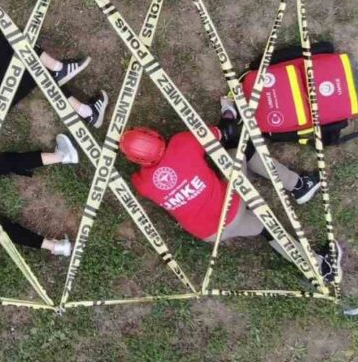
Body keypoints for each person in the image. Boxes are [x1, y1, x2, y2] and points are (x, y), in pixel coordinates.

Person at [119, 120, 341, 283]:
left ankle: (319, 268)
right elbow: (224, 131)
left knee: (267, 229)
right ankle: (299, 185)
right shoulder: (182, 143)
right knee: (242, 148)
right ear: (154, 133)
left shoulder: (141, 182)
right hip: (231, 204)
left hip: (210, 234)